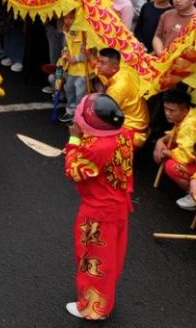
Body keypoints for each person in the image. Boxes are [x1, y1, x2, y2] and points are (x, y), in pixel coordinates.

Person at [63, 93, 134, 321]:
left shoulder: (95, 147)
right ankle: (104, 298)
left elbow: (74, 171)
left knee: (93, 260)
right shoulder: (123, 134)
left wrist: (73, 140)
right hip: (118, 206)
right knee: (110, 257)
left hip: (98, 211)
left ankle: (94, 308)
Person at [152, 88, 196, 201]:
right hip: (194, 153)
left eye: (172, 111)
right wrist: (160, 141)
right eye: (165, 109)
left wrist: (165, 152)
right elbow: (175, 134)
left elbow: (186, 156)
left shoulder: (190, 126)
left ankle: (195, 195)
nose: (167, 113)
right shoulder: (188, 114)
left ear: (184, 110)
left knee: (172, 167)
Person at [95, 47, 149, 147]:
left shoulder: (118, 88)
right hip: (134, 121)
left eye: (102, 63)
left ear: (115, 67)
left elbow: (104, 114)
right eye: (98, 61)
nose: (98, 66)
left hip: (133, 129)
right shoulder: (122, 71)